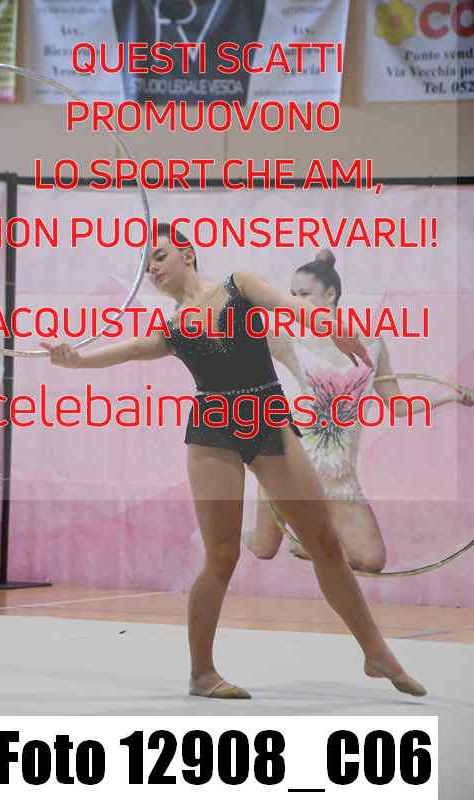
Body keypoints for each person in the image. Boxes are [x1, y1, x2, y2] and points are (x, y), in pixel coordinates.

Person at [40, 224, 427, 699]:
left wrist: (332, 325)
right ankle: (202, 673)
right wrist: (75, 360)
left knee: (325, 543)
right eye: (146, 265)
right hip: (213, 433)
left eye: (158, 255)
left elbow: (289, 306)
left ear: (187, 253)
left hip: (268, 419)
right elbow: (133, 350)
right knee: (222, 556)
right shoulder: (172, 327)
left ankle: (376, 652)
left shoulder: (237, 285)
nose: (152, 268)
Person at [245, 250, 474, 573]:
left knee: (371, 560)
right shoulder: (289, 340)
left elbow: (399, 407)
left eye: (303, 294)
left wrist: (451, 397)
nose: (294, 302)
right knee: (264, 548)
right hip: (291, 468)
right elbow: (243, 323)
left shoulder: (371, 344)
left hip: (339, 480)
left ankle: (316, 546)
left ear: (330, 295)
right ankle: (249, 525)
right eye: (292, 295)